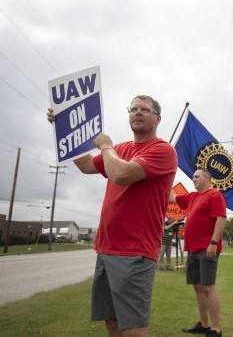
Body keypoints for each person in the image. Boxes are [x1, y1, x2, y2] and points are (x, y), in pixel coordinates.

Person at [47, 95, 178, 336]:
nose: (137, 112)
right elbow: (86, 165)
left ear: (158, 118)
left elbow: (120, 174)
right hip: (107, 248)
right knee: (113, 322)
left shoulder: (163, 150)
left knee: (133, 328)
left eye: (145, 109)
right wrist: (62, 129)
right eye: (133, 108)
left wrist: (106, 146)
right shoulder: (121, 149)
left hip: (134, 251)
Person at [171, 169, 227, 337]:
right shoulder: (192, 197)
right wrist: (163, 177)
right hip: (193, 248)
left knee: (208, 286)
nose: (193, 179)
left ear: (206, 178)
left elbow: (221, 218)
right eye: (193, 177)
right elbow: (172, 197)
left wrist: (213, 243)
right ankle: (203, 324)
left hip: (207, 248)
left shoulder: (215, 195)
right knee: (197, 286)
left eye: (196, 177)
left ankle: (215, 329)